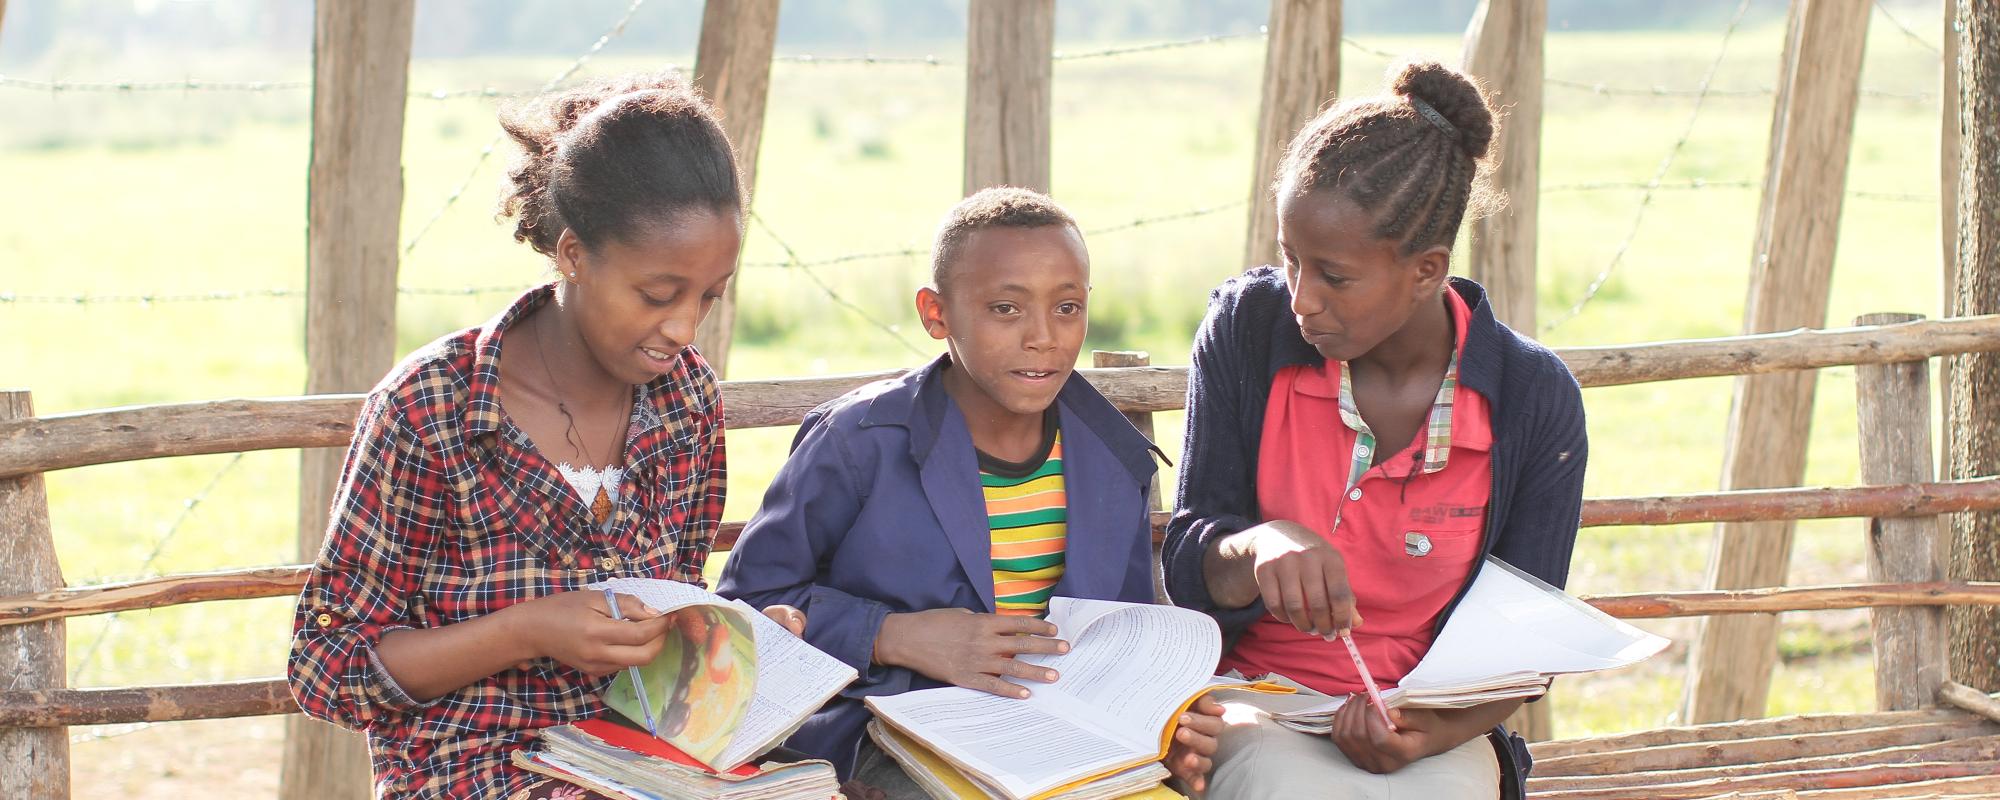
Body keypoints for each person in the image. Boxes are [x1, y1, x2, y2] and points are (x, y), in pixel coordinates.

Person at [286, 72, 803, 800]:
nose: (686, 328)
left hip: (643, 770)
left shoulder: (687, 403)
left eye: (709, 296)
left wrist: (734, 648)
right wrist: (525, 630)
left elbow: (667, 623)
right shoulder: (434, 408)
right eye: (658, 295)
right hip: (471, 774)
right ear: (572, 255)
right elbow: (328, 670)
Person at [1161, 60, 1589, 800]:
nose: (1302, 300)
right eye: (1290, 260)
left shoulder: (1531, 400)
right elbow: (1188, 566)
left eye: (1335, 275)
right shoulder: (1248, 333)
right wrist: (1260, 545)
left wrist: (1431, 729)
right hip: (1258, 706)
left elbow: (1526, 637)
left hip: (1427, 727)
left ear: (1426, 271)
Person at [718, 187, 1224, 798]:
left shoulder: (1112, 459)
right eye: (1006, 309)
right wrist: (893, 634)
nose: (1044, 336)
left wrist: (1163, 719)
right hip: (888, 738)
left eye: (1067, 307)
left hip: (1060, 745)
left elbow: (1122, 638)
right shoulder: (859, 443)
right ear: (937, 314)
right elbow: (749, 607)